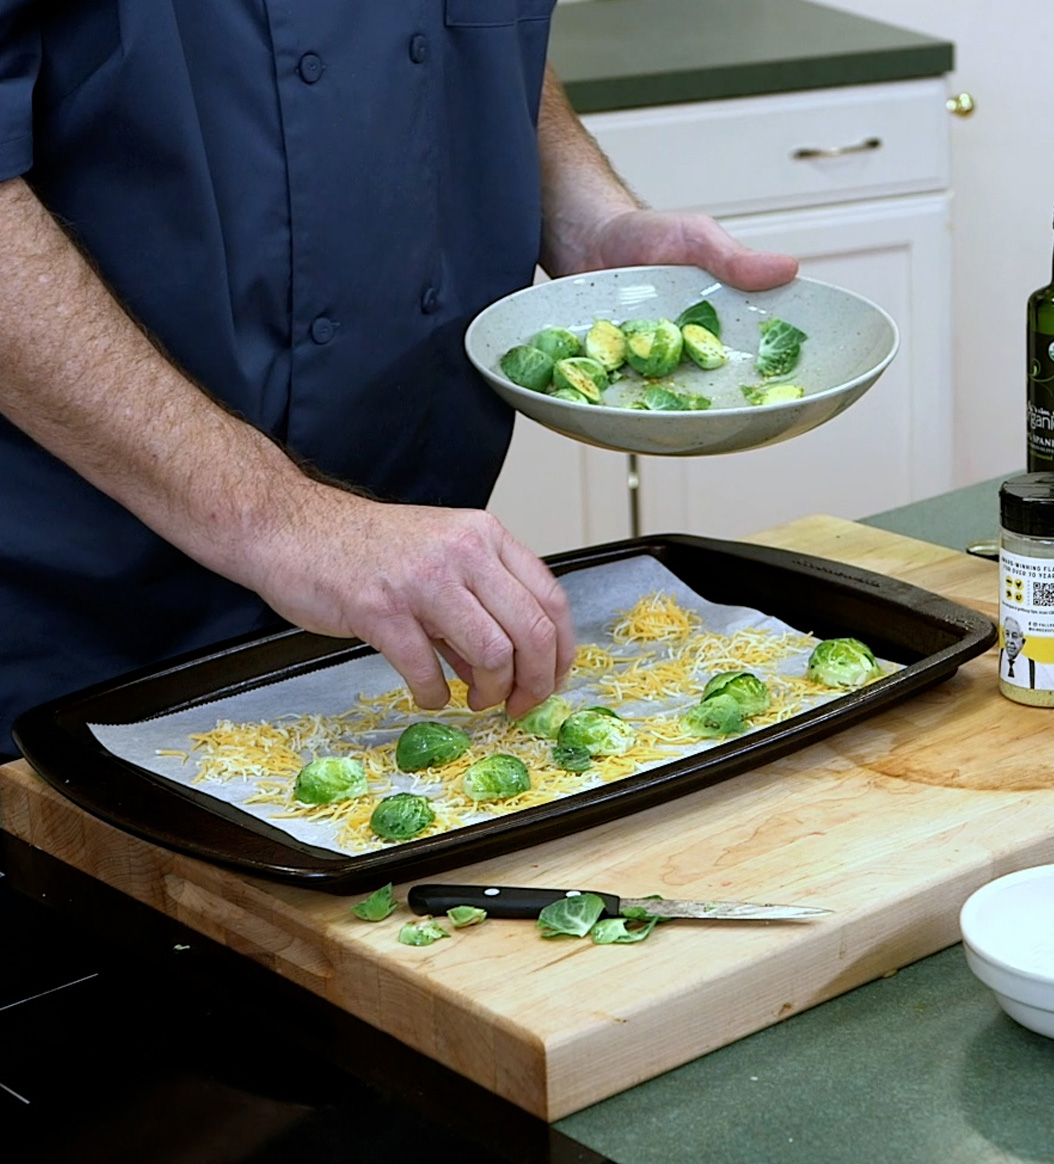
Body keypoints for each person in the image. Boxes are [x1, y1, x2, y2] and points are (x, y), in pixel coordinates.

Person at [0, 6, 798, 759]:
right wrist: (283, 519)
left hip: (412, 565)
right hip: (87, 595)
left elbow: (487, 32)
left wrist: (585, 217)